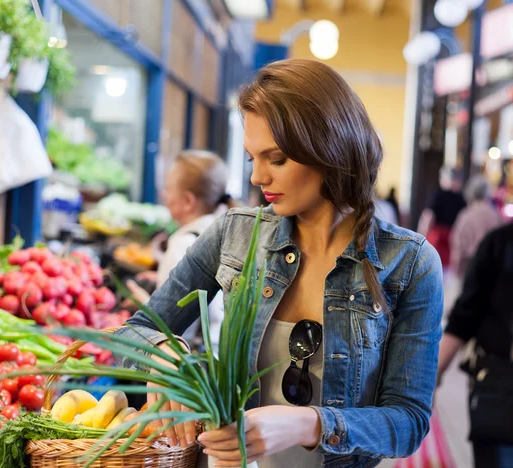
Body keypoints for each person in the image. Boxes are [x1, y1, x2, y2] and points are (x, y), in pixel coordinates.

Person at [114, 59, 443, 468]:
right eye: (253, 157)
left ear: (331, 147)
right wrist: (168, 355)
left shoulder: (409, 263)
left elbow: (408, 422)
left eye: (277, 159)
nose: (257, 177)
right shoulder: (235, 234)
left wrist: (308, 424)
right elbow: (133, 333)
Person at [126, 150, 235, 354]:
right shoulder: (224, 232)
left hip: (191, 368)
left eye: (167, 188)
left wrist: (143, 303)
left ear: (188, 201)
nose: (163, 194)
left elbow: (171, 330)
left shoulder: (183, 244)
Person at [438, 222, 513, 468]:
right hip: (499, 399)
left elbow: (465, 315)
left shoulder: (500, 242)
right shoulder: (499, 243)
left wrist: (432, 378)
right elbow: (464, 317)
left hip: (498, 396)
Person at [450, 175, 500, 280]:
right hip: (491, 271)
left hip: (469, 271)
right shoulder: (495, 216)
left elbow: (458, 247)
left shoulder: (465, 215)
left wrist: (456, 272)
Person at [418, 166, 467, 268]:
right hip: (453, 239)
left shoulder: (438, 195)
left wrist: (420, 237)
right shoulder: (462, 199)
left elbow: (428, 217)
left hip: (438, 238)